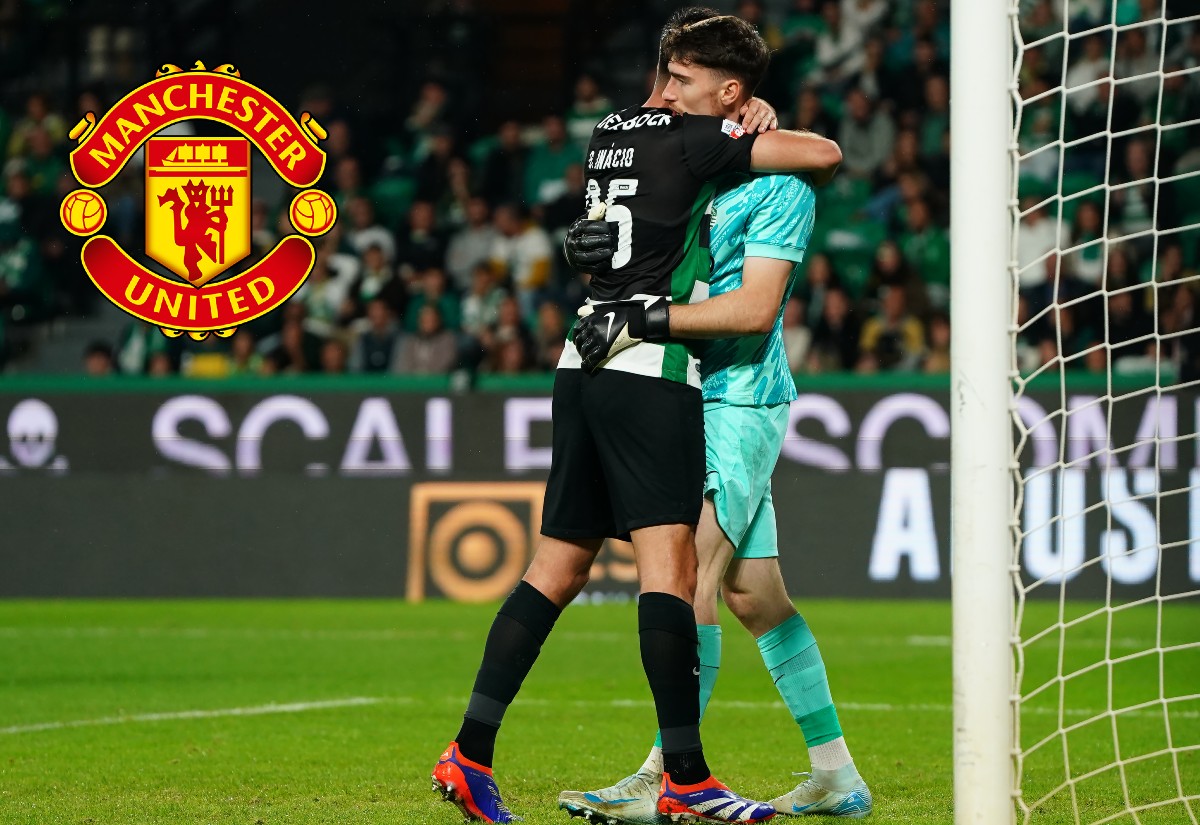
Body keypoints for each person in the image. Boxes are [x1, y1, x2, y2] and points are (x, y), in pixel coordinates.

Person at [431, 9, 841, 825]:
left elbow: (743, 294)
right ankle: (682, 778)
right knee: (677, 573)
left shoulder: (614, 134)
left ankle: (470, 752)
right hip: (651, 369)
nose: (669, 91)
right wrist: (743, 118)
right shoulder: (694, 140)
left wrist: (609, 263)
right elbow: (822, 153)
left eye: (686, 81)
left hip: (602, 361)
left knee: (712, 588)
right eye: (673, 77)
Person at [564, 14, 870, 821]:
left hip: (738, 399)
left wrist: (646, 317)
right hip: (685, 392)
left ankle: (670, 774)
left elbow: (756, 309)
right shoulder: (695, 157)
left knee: (686, 580)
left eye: (680, 82)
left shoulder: (778, 186)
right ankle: (836, 773)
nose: (660, 97)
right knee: (756, 597)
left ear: (731, 92)